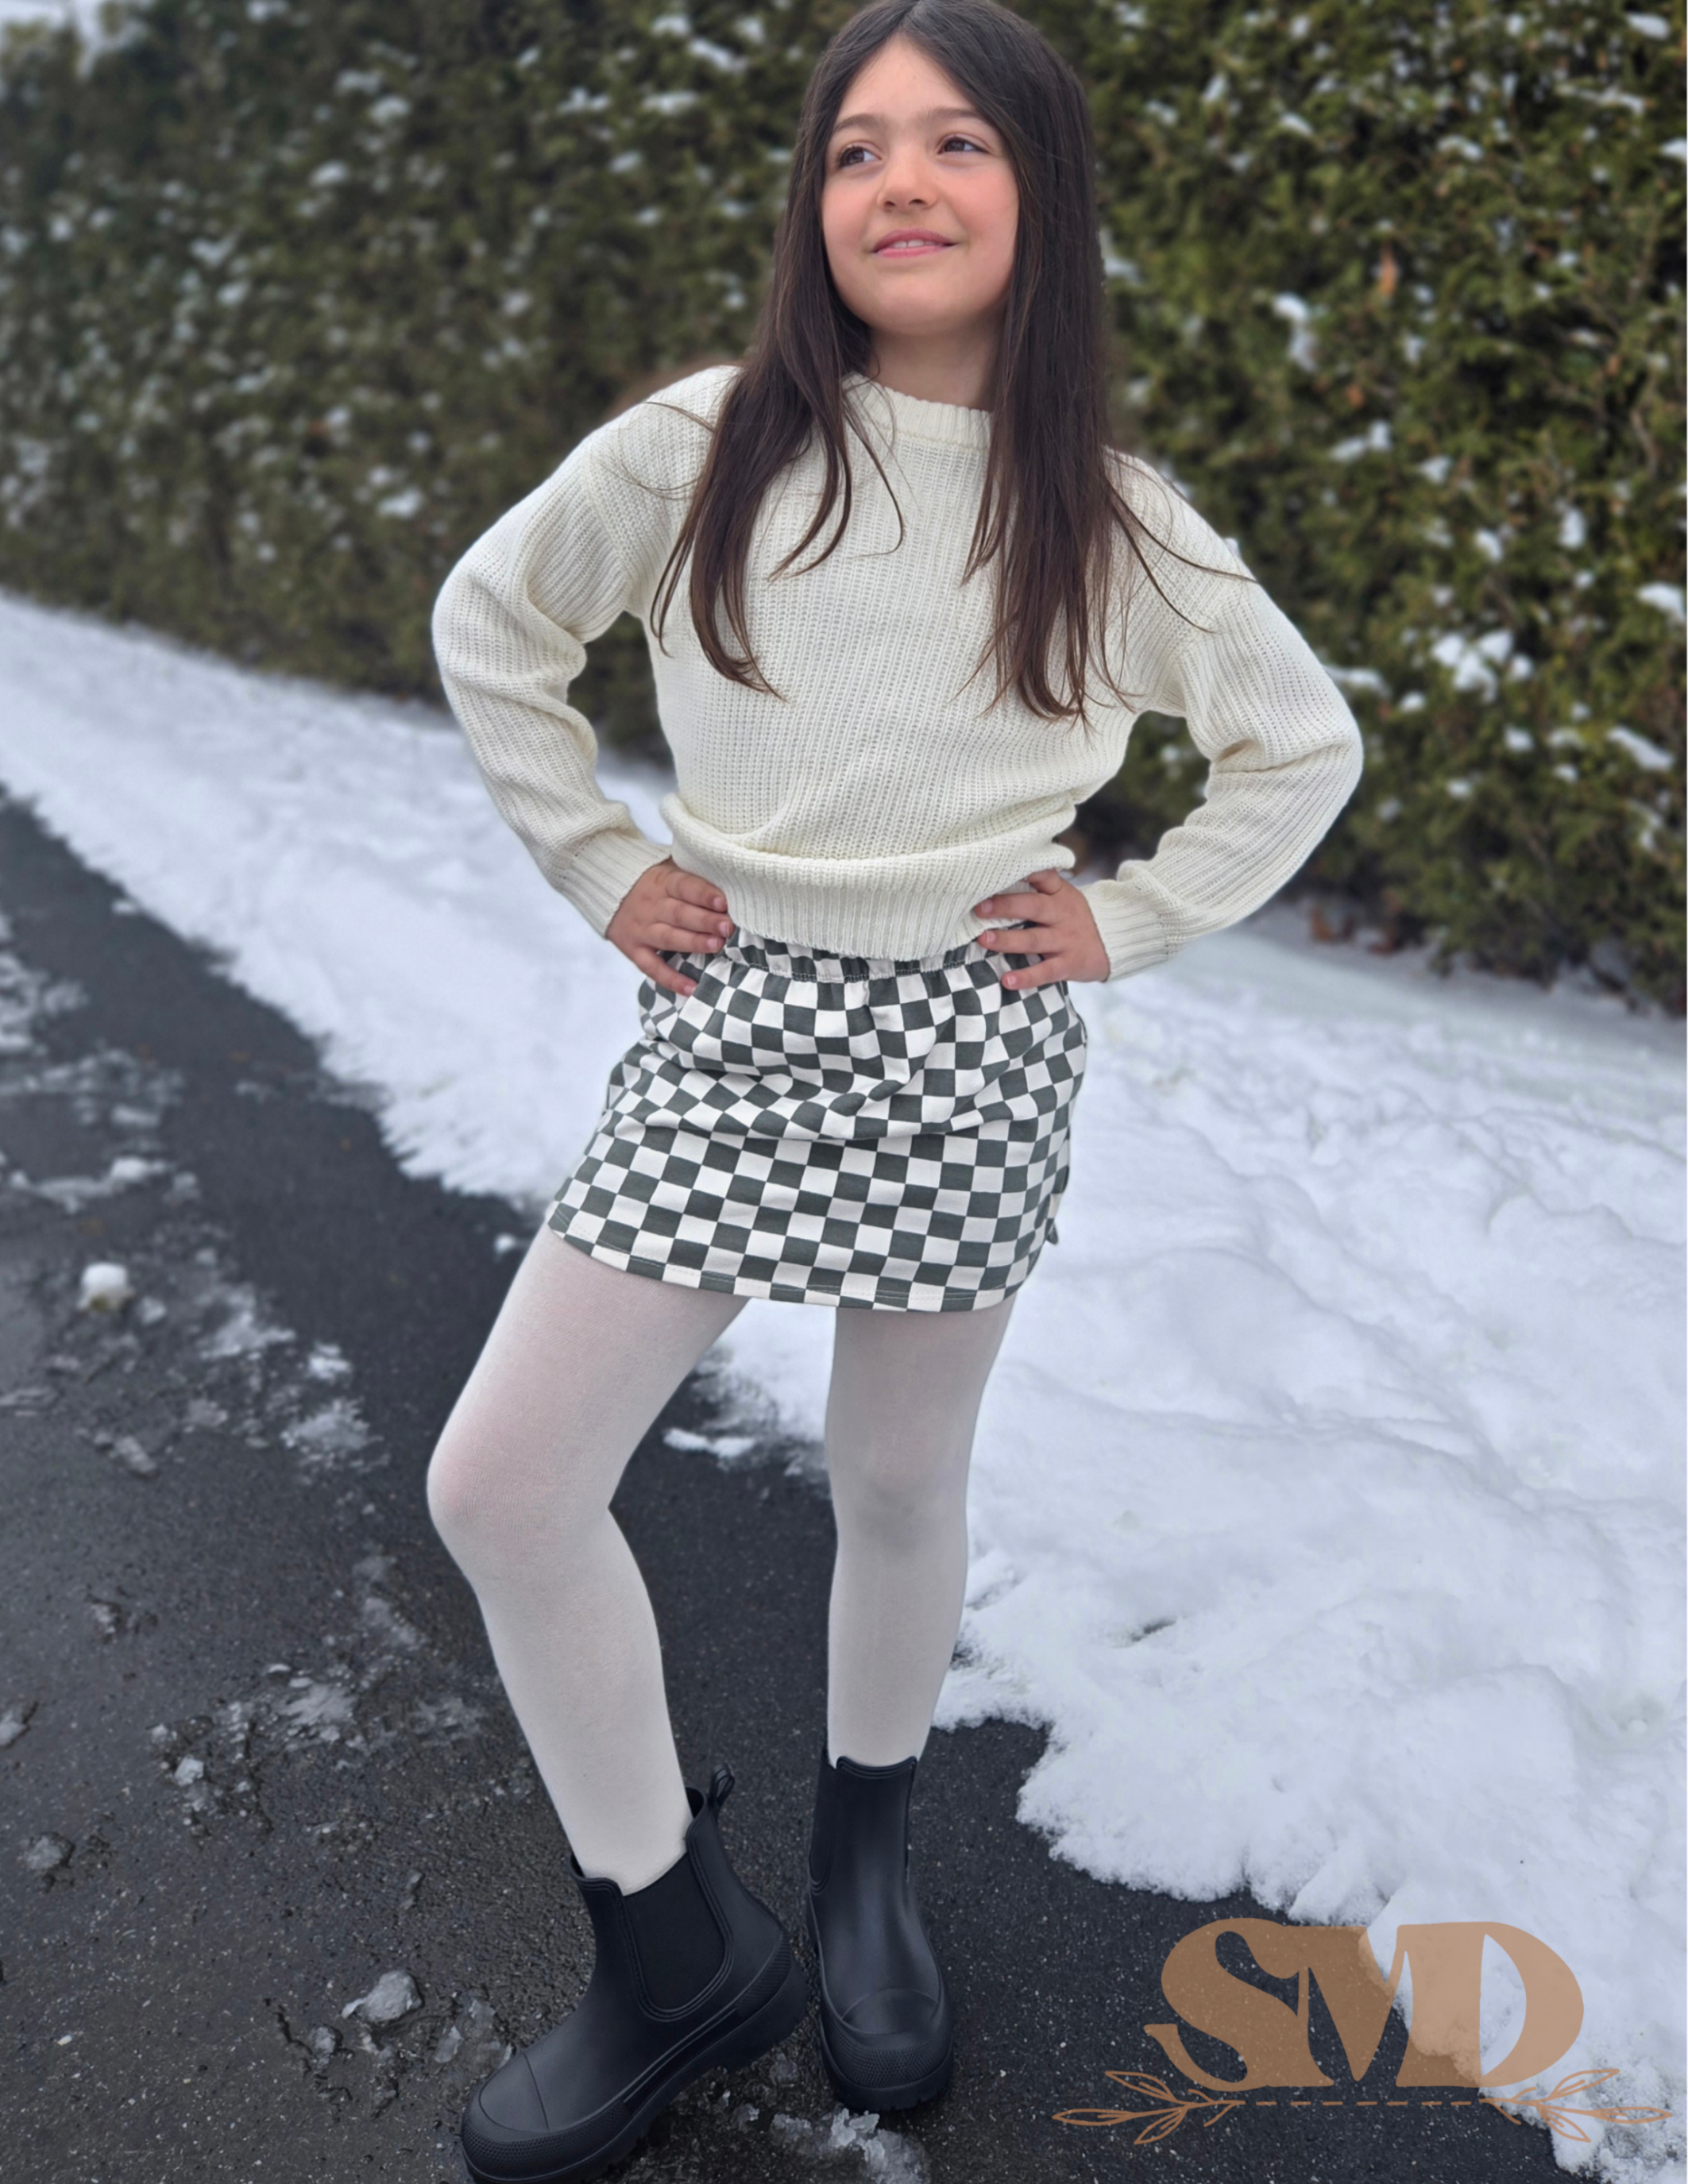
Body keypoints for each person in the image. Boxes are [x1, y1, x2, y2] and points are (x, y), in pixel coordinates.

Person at [425, 1, 1362, 2176]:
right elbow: (494, 624)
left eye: (955, 142)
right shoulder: (703, 446)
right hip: (733, 1026)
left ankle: (866, 1862)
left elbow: (1295, 743)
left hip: (970, 1042)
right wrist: (598, 860)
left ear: (1042, 193)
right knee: (506, 1484)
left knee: (899, 1477)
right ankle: (673, 1942)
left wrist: (1131, 916)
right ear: (811, 203)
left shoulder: (1108, 515)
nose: (900, 183)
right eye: (855, 148)